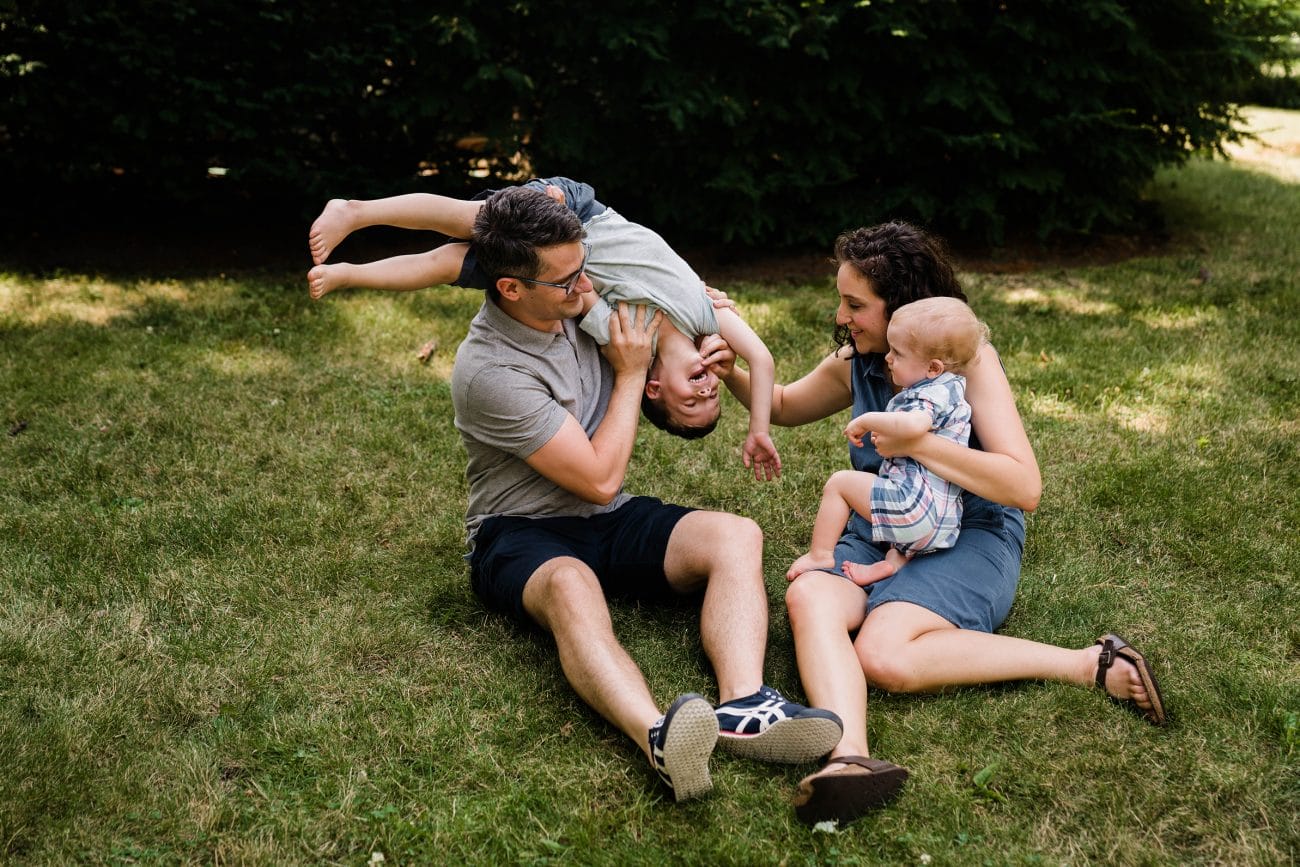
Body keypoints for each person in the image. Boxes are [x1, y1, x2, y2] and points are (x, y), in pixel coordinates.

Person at [719, 221, 1168, 826]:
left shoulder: (965, 365)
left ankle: (1088, 664)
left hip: (971, 532)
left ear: (901, 309)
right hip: (884, 526)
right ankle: (851, 760)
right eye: (841, 299)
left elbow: (1023, 485)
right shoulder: (863, 360)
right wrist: (730, 371)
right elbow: (782, 405)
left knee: (883, 655)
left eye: (856, 304)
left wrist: (916, 441)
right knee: (809, 597)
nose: (841, 315)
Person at [426, 184, 843, 803]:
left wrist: (701, 310)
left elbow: (655, 286)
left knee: (737, 534)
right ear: (511, 288)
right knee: (571, 585)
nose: (585, 283)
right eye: (566, 281)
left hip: (607, 518)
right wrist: (628, 373)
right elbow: (598, 477)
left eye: (582, 269)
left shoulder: (583, 299)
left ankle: (744, 705)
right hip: (519, 530)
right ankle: (657, 737)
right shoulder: (489, 370)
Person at [307, 177, 782, 479]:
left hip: (551, 263)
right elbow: (761, 359)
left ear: (654, 388)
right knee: (466, 218)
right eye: (711, 397)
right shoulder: (707, 314)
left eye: (689, 403)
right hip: (574, 215)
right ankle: (357, 210)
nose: (705, 392)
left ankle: (350, 274)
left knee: (446, 264)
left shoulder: (618, 335)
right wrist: (758, 429)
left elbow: (584, 291)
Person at [786, 296, 988, 586]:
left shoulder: (928, 395)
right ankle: (890, 564)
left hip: (915, 509)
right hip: (942, 524)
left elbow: (914, 425)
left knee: (840, 484)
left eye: (897, 353)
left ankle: (820, 554)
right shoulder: (952, 387)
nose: (888, 358)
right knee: (902, 529)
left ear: (933, 368)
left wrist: (868, 420)